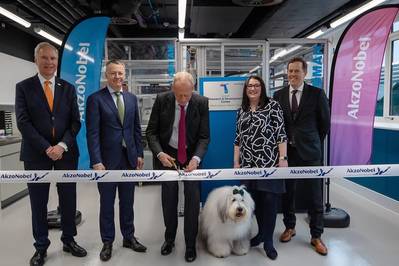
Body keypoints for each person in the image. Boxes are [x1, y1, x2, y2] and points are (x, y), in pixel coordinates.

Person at [15, 42, 87, 266]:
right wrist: (47, 147)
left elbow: (75, 122)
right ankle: (41, 247)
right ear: (36, 60)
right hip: (36, 154)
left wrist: (62, 146)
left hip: (66, 153)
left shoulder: (68, 87)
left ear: (58, 62)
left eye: (53, 59)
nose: (49, 63)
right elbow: (23, 122)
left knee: (68, 198)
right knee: (38, 202)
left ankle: (69, 240)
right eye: (44, 58)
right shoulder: (24, 87)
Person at [86, 59, 146, 262]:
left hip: (128, 159)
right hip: (106, 162)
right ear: (106, 75)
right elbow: (92, 133)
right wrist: (96, 160)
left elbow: (135, 129)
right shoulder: (96, 99)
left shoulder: (131, 98)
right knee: (107, 204)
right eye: (113, 73)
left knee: (127, 202)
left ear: (124, 74)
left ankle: (129, 237)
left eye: (120, 73)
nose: (117, 77)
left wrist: (138, 154)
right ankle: (108, 242)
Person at [146, 71, 210, 263]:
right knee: (169, 199)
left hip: (191, 157)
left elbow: (204, 136)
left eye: (186, 95)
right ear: (173, 89)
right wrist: (159, 154)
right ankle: (169, 239)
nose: (182, 100)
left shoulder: (201, 102)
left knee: (192, 200)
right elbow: (151, 132)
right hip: (168, 155)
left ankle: (190, 245)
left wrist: (197, 159)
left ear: (193, 90)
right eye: (179, 95)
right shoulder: (162, 100)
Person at [273, 57, 330, 255]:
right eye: (290, 71)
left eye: (297, 71)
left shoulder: (317, 94)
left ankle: (316, 235)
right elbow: (276, 125)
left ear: (305, 73)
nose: (293, 75)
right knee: (288, 193)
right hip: (287, 154)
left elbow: (324, 124)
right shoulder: (278, 95)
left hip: (311, 153)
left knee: (315, 195)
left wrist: (311, 141)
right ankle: (290, 227)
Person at [233, 76, 288, 260]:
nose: (253, 88)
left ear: (262, 88)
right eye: (250, 86)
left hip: (269, 163)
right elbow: (237, 139)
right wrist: (236, 162)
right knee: (253, 202)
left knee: (269, 202)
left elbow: (281, 133)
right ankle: (261, 234)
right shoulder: (242, 110)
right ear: (245, 89)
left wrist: (283, 158)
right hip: (248, 165)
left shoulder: (272, 106)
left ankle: (269, 241)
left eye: (256, 85)